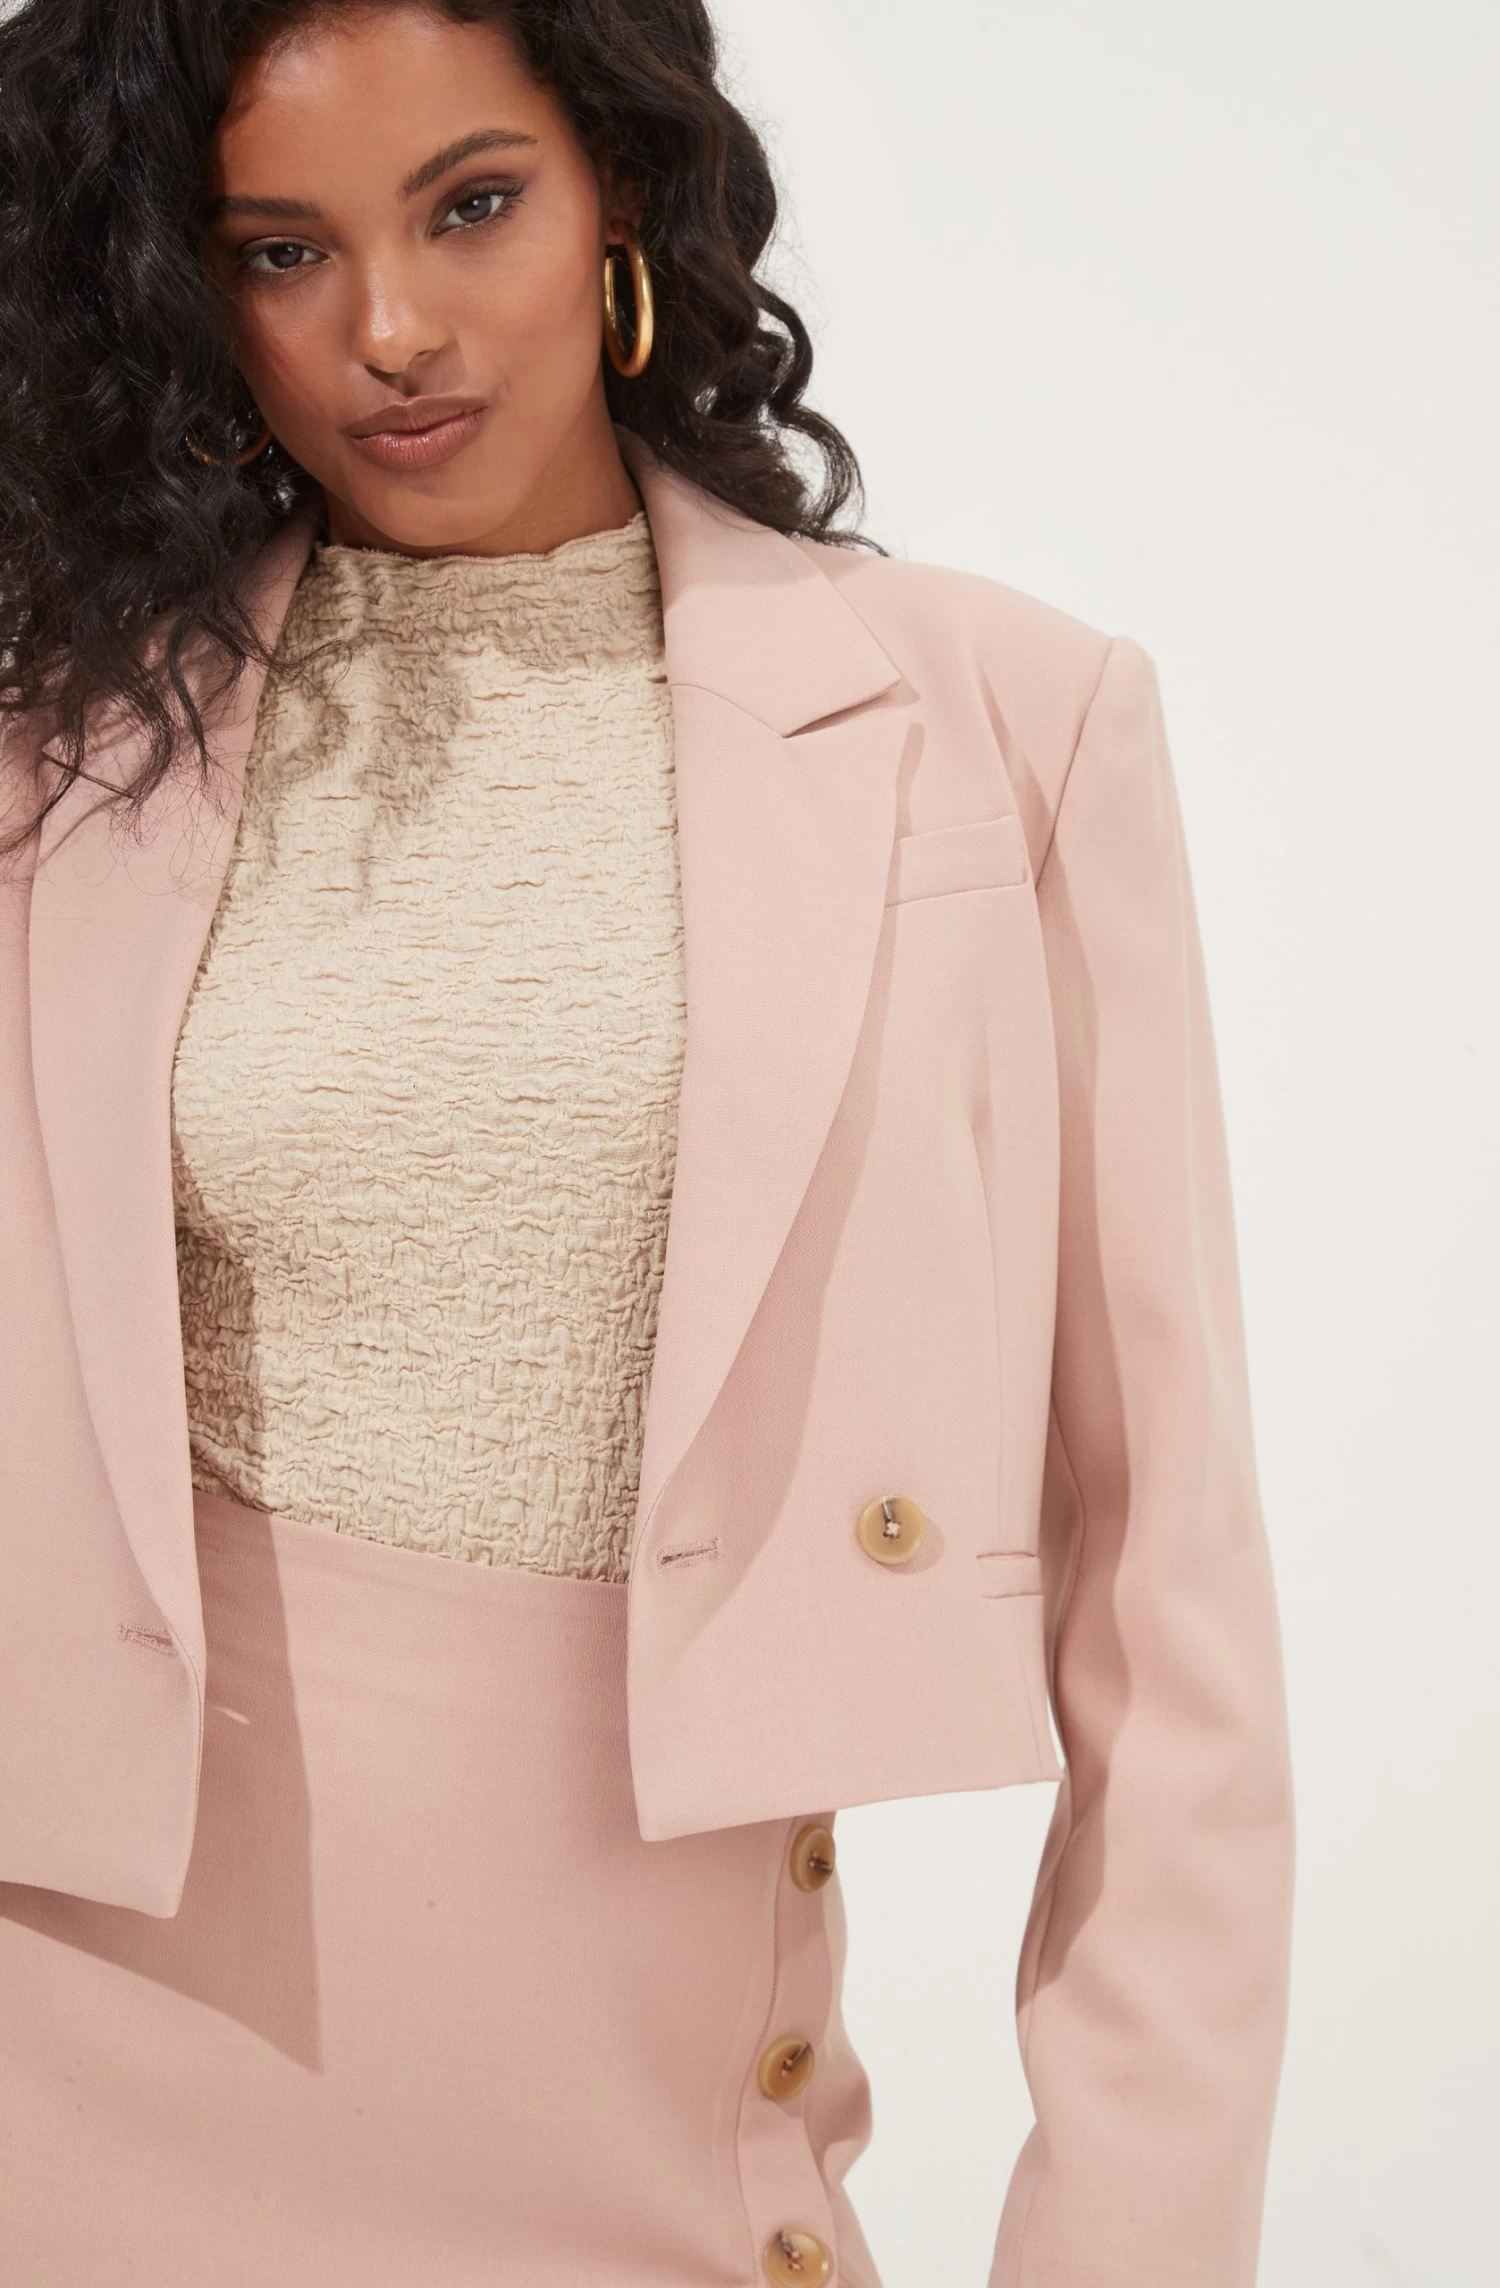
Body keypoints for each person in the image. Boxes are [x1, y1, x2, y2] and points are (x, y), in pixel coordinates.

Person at [0, 1, 1295, 2282]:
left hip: (647, 2117)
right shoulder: (58, 747)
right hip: (65, 2074)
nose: (391, 331)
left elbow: (1165, 1591)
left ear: (618, 184)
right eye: (281, 250)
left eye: (471, 206)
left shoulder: (998, 721)